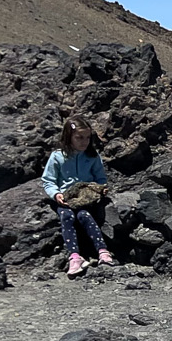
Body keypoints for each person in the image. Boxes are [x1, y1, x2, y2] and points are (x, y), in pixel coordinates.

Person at [42, 118, 117, 277]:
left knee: (85, 216)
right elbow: (48, 180)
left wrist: (101, 189)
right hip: (65, 199)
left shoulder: (92, 156)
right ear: (68, 136)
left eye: (88, 137)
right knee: (67, 216)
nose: (84, 142)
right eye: (79, 137)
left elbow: (100, 178)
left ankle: (103, 251)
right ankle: (74, 257)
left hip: (86, 198)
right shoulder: (57, 156)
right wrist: (56, 194)